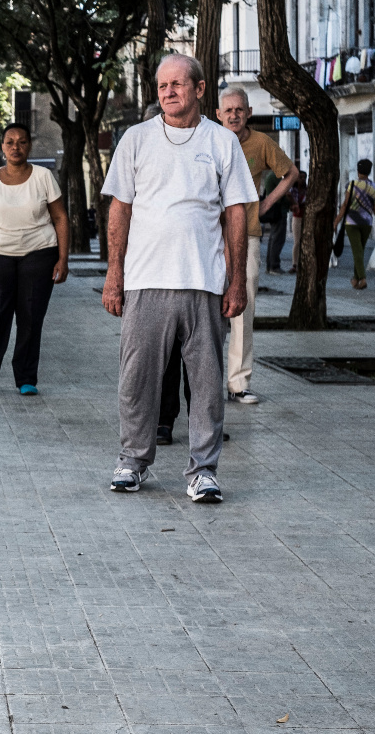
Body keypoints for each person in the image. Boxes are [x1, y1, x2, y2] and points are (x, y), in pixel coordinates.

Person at [100, 54, 256, 504]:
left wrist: (237, 281)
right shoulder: (136, 139)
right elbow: (120, 209)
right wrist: (115, 274)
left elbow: (236, 212)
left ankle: (203, 471)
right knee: (137, 378)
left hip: (204, 281)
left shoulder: (221, 143)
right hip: (145, 280)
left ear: (200, 89)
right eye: (162, 85)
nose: (168, 92)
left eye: (178, 84)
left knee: (206, 384)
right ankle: (132, 460)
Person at [0, 123, 68, 396]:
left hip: (39, 254)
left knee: (31, 317)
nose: (15, 147)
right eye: (10, 142)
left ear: (29, 146)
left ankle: (26, 378)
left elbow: (60, 218)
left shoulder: (43, 177)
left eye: (21, 142)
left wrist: (63, 259)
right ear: (2, 147)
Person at [216, 88, 299, 405]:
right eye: (228, 110)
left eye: (239, 109)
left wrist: (266, 204)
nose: (234, 114)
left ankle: (238, 383)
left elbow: (290, 173)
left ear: (249, 112)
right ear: (219, 113)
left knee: (243, 308)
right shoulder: (209, 138)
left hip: (247, 234)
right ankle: (204, 383)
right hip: (209, 235)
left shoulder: (261, 143)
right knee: (202, 310)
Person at [334, 158, 375, 289]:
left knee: (357, 251)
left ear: (358, 170)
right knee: (359, 250)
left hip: (351, 222)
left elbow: (344, 205)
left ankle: (363, 278)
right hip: (367, 223)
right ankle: (355, 279)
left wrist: (336, 221)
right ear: (369, 171)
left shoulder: (351, 185)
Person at [261, 169, 289, 273]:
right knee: (277, 239)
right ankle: (274, 266)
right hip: (279, 210)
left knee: (273, 238)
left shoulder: (270, 175)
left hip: (275, 210)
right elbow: (284, 192)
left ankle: (270, 265)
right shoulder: (275, 176)